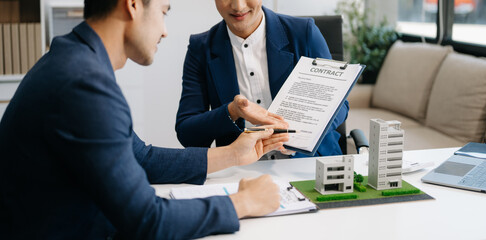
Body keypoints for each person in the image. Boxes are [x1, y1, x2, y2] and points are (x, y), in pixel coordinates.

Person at [0, 0, 286, 239]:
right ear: (133, 5)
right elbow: (147, 221)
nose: (164, 32)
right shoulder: (82, 83)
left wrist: (233, 154)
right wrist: (242, 202)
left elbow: (141, 158)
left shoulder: (72, 60)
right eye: (163, 12)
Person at [176, 0, 349, 159]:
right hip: (241, 169)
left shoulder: (304, 33)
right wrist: (232, 111)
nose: (238, 6)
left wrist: (300, 136)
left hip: (309, 163)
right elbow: (188, 133)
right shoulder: (200, 48)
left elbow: (341, 106)